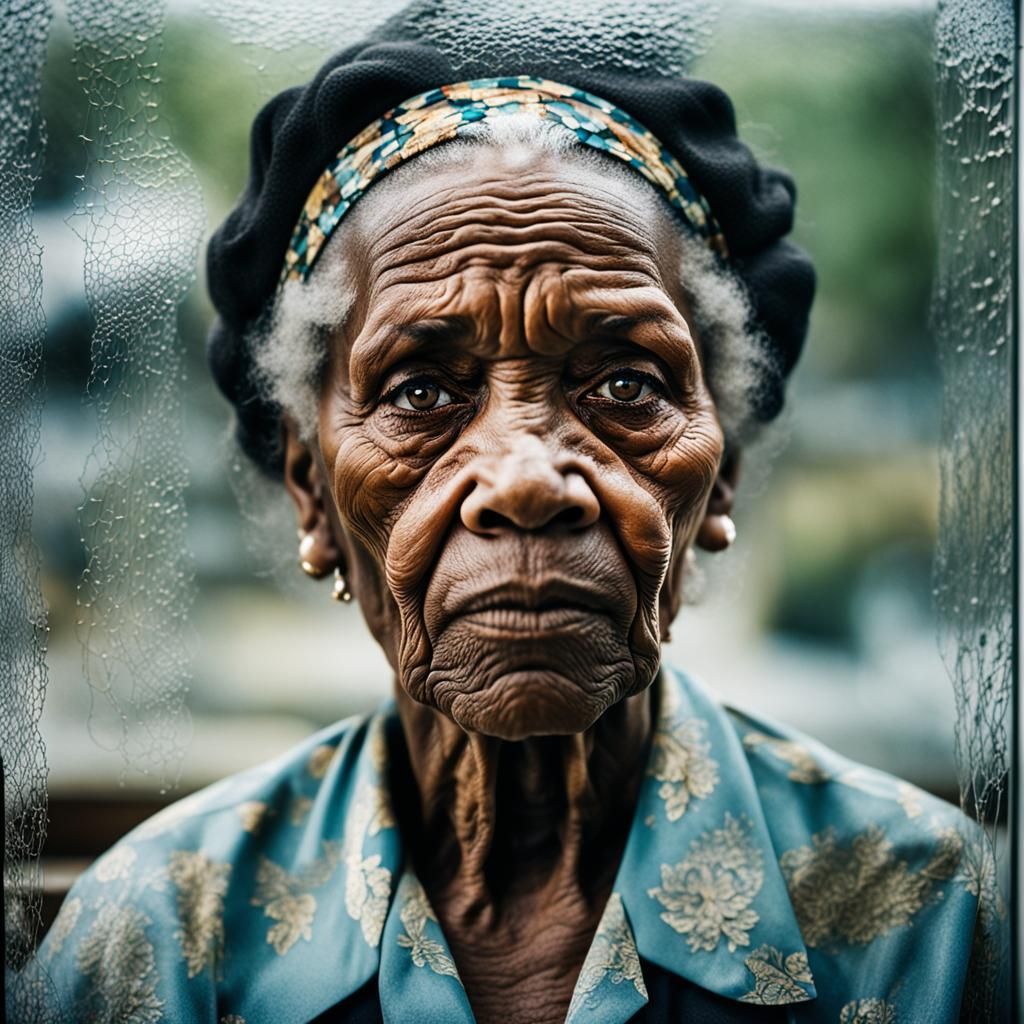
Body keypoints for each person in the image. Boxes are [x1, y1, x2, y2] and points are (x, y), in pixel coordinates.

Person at [36, 38, 986, 1024]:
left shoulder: (935, 917)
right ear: (311, 488)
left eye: (627, 384)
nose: (527, 479)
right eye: (420, 390)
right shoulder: (161, 931)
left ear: (722, 471)